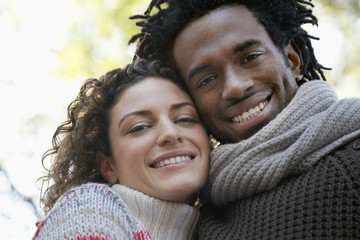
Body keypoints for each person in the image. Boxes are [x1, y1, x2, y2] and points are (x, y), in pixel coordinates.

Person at [129, 0, 360, 239]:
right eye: (207, 79)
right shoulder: (189, 218)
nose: (235, 87)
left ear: (292, 60)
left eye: (250, 57)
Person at [33, 59, 210, 240]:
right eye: (140, 127)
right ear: (109, 167)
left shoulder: (222, 226)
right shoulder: (87, 210)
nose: (170, 133)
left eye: (184, 119)